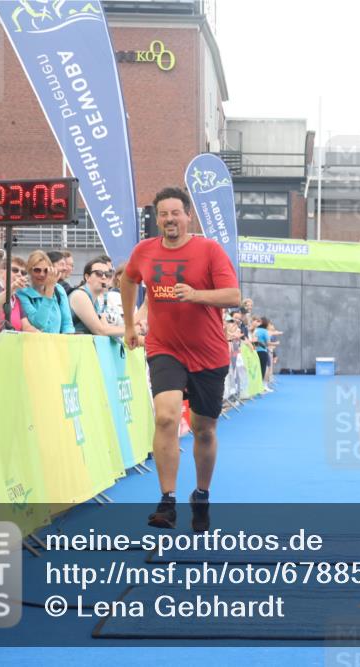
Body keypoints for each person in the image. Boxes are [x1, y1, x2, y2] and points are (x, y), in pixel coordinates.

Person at [121, 186, 240, 531]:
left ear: (188, 216)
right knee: (165, 419)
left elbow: (233, 295)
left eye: (175, 212)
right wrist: (130, 324)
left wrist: (195, 294)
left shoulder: (209, 250)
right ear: (156, 218)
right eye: (163, 214)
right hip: (165, 348)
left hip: (208, 352)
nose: (169, 219)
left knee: (204, 429)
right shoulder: (144, 251)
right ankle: (167, 501)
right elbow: (128, 280)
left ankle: (201, 494)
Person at [16, 250, 75, 333]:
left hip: (58, 343)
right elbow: (39, 323)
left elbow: (67, 324)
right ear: (29, 271)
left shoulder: (58, 289)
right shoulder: (22, 292)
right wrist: (49, 290)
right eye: (37, 270)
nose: (42, 274)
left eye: (46, 270)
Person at [69, 256, 125, 336]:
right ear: (87, 277)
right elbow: (100, 331)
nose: (104, 277)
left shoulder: (95, 300)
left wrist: (134, 330)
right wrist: (131, 330)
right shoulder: (80, 295)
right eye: (99, 273)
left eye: (107, 274)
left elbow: (106, 328)